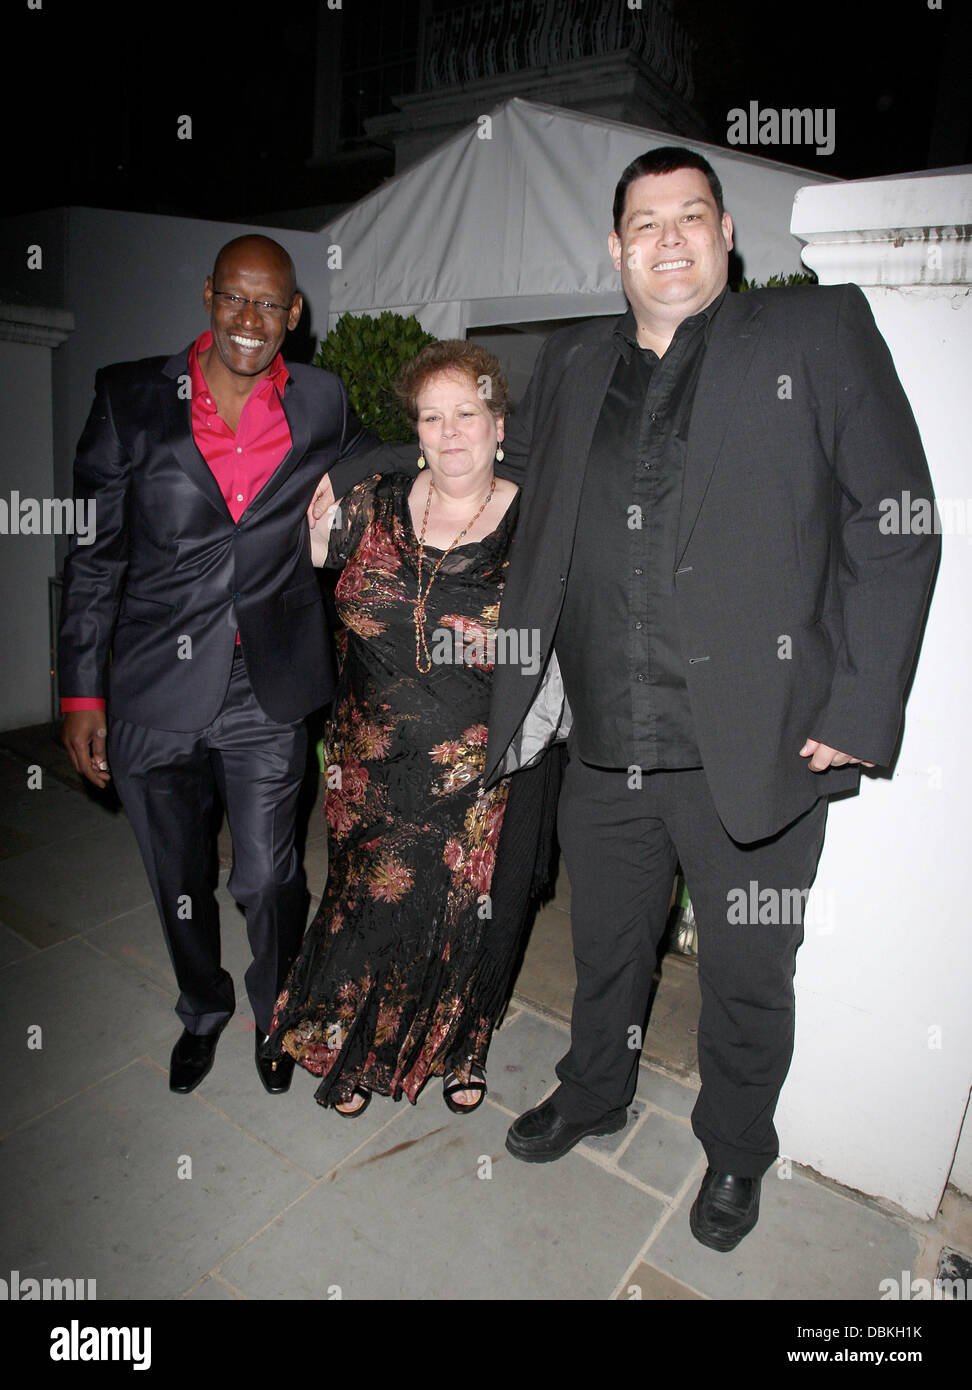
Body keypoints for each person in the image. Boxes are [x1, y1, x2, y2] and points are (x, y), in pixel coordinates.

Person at [477, 148, 940, 1250]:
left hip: (762, 744)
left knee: (744, 968)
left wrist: (862, 706)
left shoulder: (813, 336)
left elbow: (899, 516)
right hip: (605, 739)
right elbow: (513, 490)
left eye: (694, 216)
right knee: (608, 949)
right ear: (615, 247)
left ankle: (735, 1149)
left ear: (730, 235)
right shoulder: (574, 357)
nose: (670, 237)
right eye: (646, 221)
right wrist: (371, 483)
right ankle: (595, 1088)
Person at [59, 235, 393, 1097]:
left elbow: (372, 464)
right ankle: (202, 1008)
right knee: (176, 877)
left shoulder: (320, 399)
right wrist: (81, 691)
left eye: (269, 304)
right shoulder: (131, 395)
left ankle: (275, 1010)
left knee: (270, 874)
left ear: (294, 314)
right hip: (149, 687)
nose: (250, 320)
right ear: (210, 296)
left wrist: (464, 465)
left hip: (265, 685)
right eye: (234, 300)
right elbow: (94, 557)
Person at [265, 341, 558, 1115]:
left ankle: (463, 1045)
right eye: (432, 417)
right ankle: (355, 1044)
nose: (451, 433)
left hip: (476, 767)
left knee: (462, 916)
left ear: (500, 425)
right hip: (368, 759)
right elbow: (280, 571)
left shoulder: (539, 521)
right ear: (414, 430)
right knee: (366, 903)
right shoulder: (367, 501)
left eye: (468, 414)